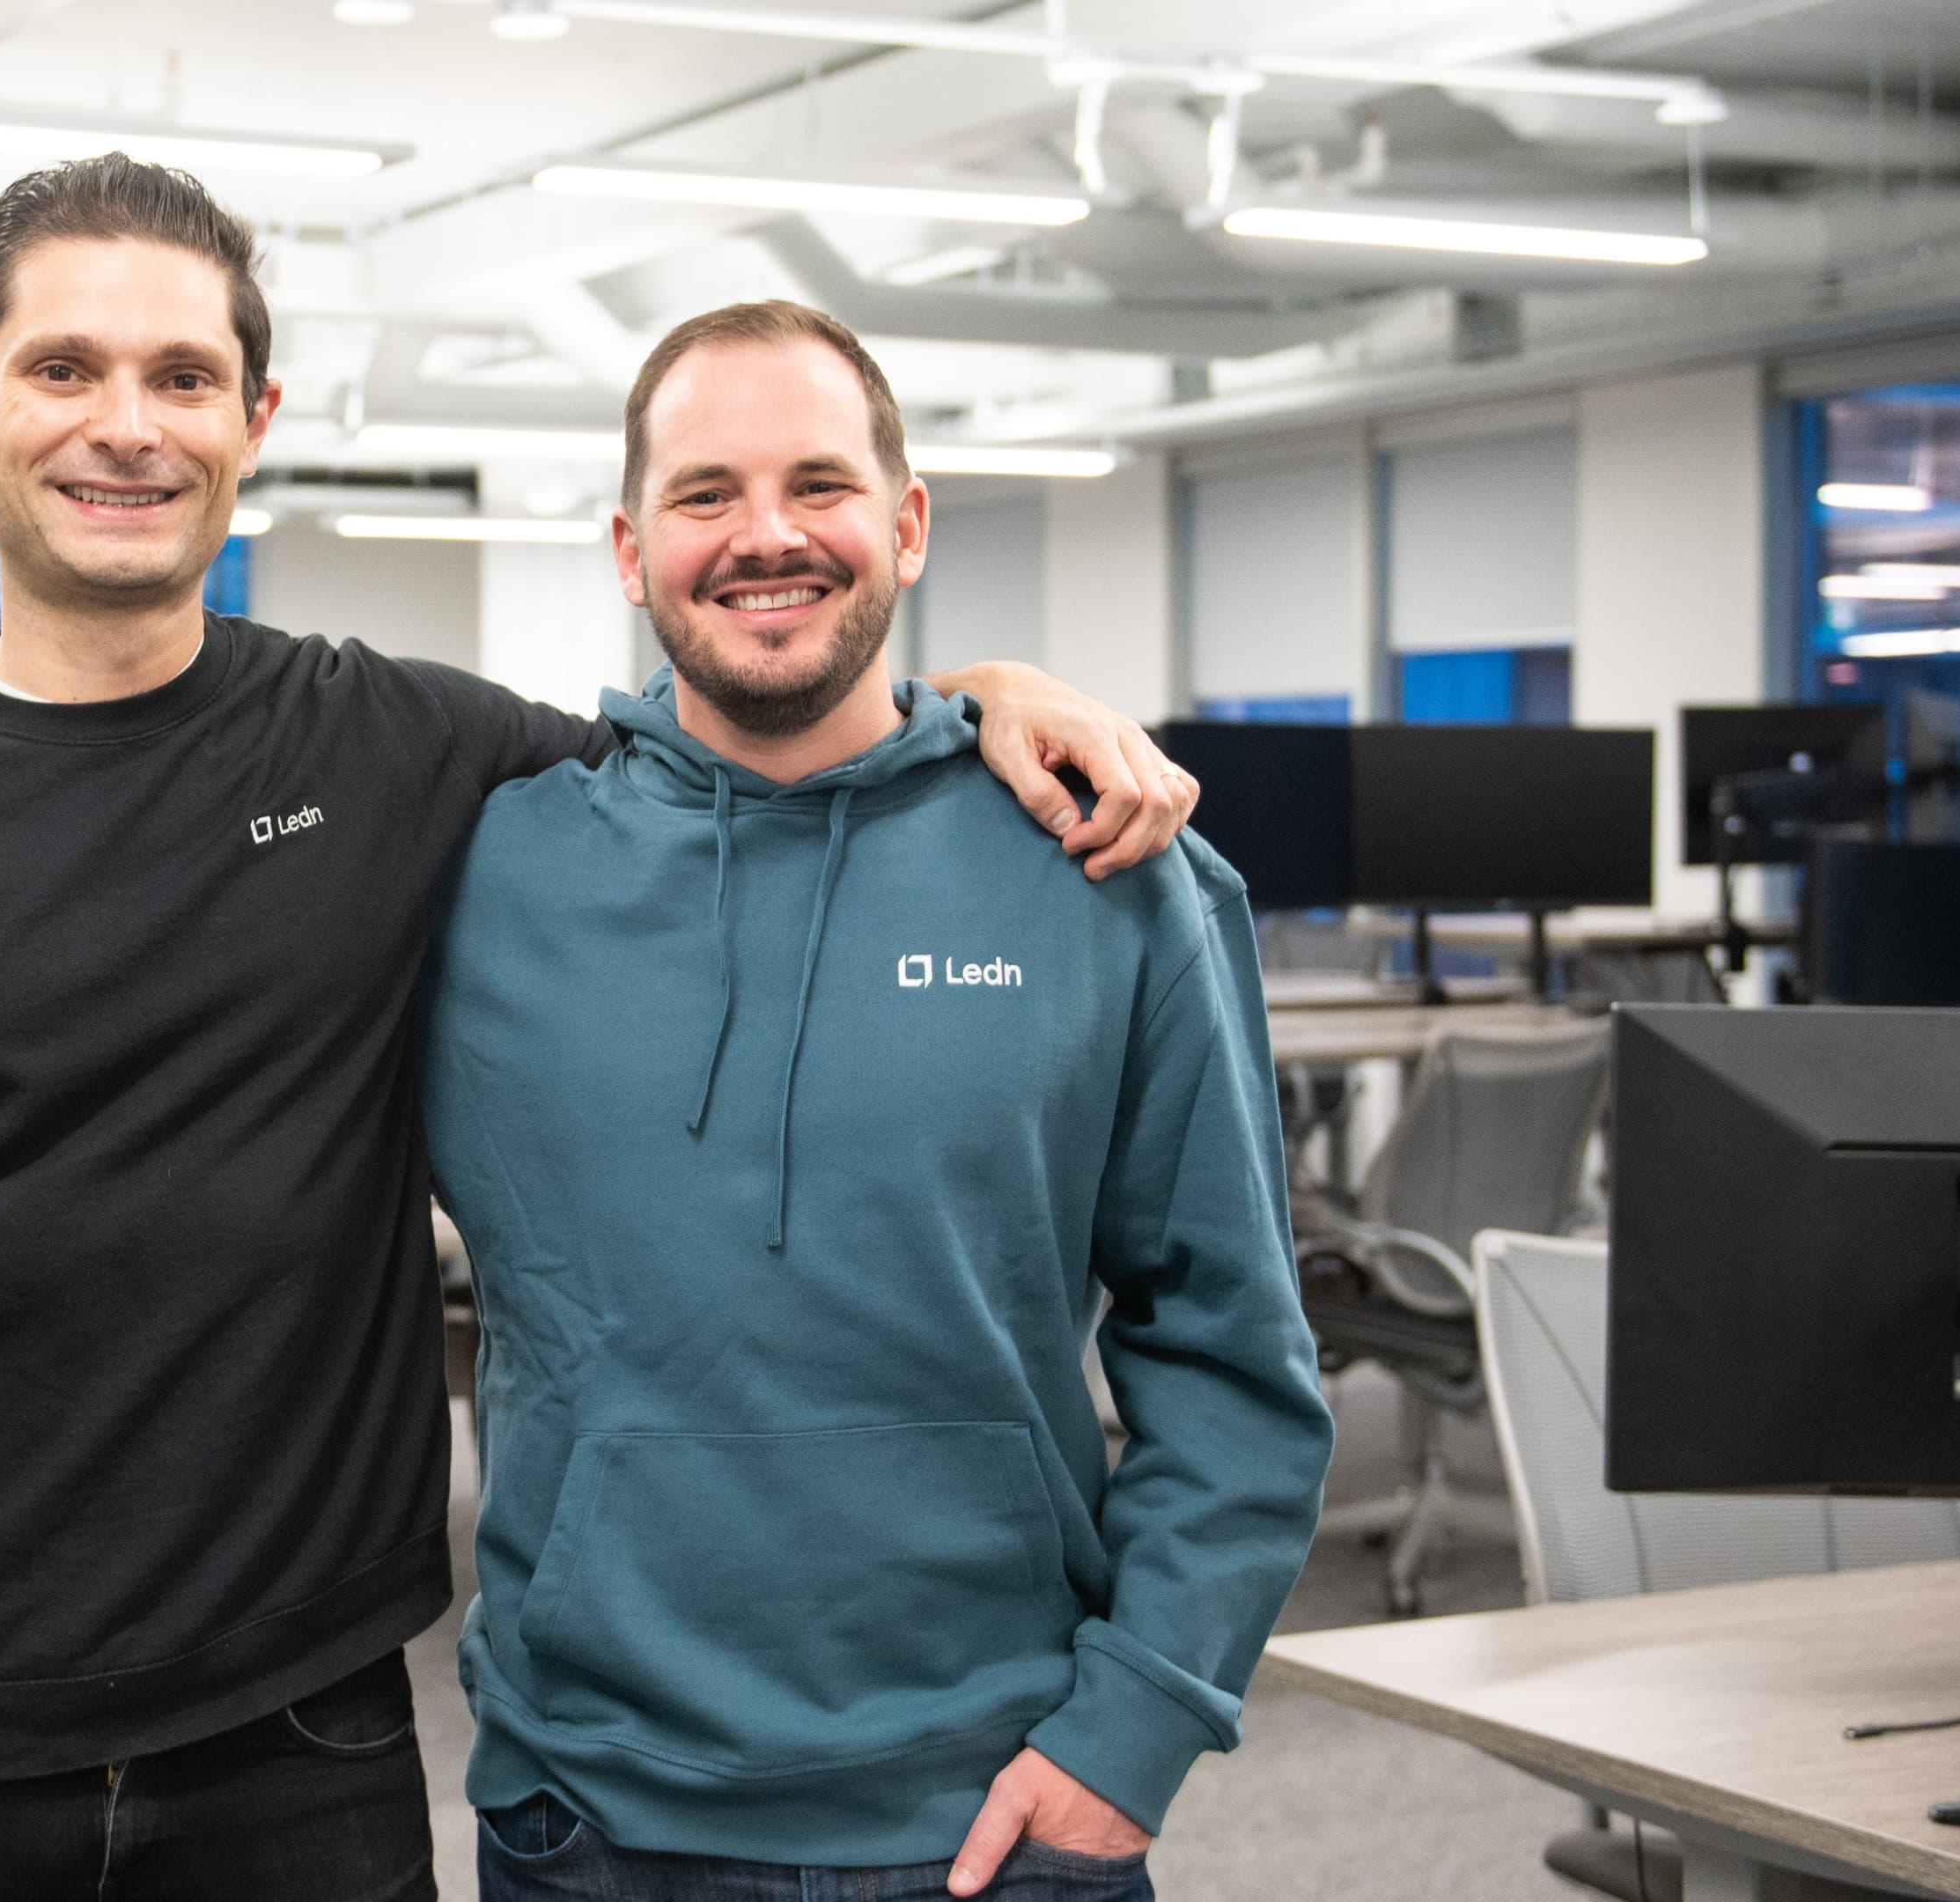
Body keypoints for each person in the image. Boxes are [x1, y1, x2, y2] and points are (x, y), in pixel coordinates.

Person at [0, 157, 1201, 1902]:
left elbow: (746, 730)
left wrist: (977, 700)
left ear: (255, 416)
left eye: (183, 378)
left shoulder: (399, 751)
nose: (127, 427)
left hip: (303, 1734)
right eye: (64, 371)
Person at [416, 301, 1333, 1902]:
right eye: (705, 495)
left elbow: (1233, 1353)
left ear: (905, 527)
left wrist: (1134, 1736)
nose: (766, 536)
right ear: (629, 551)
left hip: (994, 1816)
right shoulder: (475, 876)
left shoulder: (1113, 872)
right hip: (593, 1821)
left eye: (818, 486)